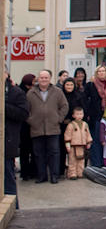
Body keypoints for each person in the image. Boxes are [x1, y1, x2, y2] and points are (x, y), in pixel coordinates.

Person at [25, 70, 68, 184]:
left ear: (50, 79)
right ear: (38, 79)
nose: (44, 80)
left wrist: (58, 119)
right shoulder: (31, 93)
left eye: (46, 78)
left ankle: (54, 176)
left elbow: (64, 106)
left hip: (53, 128)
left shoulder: (57, 91)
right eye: (42, 78)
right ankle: (41, 176)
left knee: (54, 153)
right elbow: (25, 109)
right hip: (36, 128)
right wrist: (31, 120)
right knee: (39, 154)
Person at [4, 74, 29, 204]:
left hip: (7, 142)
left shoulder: (15, 92)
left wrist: (3, 106)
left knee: (7, 178)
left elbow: (23, 114)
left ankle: (14, 208)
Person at [84, 66, 106, 167]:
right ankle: (96, 164)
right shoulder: (90, 85)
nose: (101, 73)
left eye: (103, 71)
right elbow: (85, 100)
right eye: (99, 71)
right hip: (95, 117)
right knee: (96, 141)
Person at [60, 78, 85, 178]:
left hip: (76, 125)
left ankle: (79, 171)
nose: (69, 87)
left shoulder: (78, 96)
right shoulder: (60, 95)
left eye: (71, 85)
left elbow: (82, 109)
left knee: (77, 152)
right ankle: (62, 170)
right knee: (63, 148)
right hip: (62, 124)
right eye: (67, 85)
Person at [64, 106, 92, 179]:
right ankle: (72, 173)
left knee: (81, 160)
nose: (79, 116)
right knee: (72, 160)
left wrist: (88, 142)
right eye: (77, 114)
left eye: (81, 114)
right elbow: (67, 135)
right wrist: (67, 145)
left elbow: (88, 134)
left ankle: (80, 173)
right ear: (73, 115)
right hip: (73, 146)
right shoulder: (71, 125)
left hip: (82, 145)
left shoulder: (85, 124)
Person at [18, 74, 37, 181]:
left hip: (34, 124)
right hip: (24, 125)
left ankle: (33, 171)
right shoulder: (21, 92)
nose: (35, 83)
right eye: (34, 81)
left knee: (34, 150)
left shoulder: (34, 91)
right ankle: (25, 172)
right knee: (24, 150)